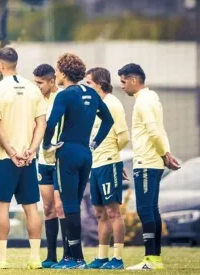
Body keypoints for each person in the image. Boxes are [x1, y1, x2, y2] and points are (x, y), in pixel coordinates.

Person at [42, 53, 114, 269]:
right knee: (74, 205)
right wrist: (94, 143)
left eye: (57, 70)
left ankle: (75, 259)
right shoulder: (92, 93)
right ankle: (74, 257)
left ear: (63, 73)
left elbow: (51, 122)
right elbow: (108, 120)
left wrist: (47, 144)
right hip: (86, 153)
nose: (55, 74)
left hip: (68, 153)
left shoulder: (63, 95)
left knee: (70, 204)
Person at [0, 47, 47, 270]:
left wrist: (12, 152)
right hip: (29, 159)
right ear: (16, 63)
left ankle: (1, 259)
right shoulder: (33, 89)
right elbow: (42, 124)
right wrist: (31, 150)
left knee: (1, 208)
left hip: (4, 159)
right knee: (31, 208)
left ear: (0, 65)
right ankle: (35, 259)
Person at [118, 64, 180, 270]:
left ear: (134, 80)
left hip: (146, 162)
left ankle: (150, 259)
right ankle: (155, 259)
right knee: (152, 209)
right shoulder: (152, 97)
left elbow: (154, 131)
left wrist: (165, 154)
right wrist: (166, 153)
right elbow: (160, 130)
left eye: (124, 82)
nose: (122, 86)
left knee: (145, 210)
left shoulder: (143, 102)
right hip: (153, 162)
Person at [84, 67, 129, 270]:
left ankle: (117, 259)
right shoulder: (96, 105)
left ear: (100, 84)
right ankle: (102, 257)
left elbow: (124, 137)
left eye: (89, 84)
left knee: (113, 213)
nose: (86, 88)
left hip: (108, 163)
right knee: (100, 213)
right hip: (96, 165)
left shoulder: (113, 104)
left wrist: (113, 157)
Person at [32, 64, 63, 268]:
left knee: (62, 208)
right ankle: (51, 256)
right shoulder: (35, 100)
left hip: (60, 161)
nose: (37, 86)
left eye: (40, 83)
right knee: (48, 208)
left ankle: (70, 254)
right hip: (43, 161)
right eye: (35, 82)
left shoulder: (62, 97)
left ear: (52, 81)